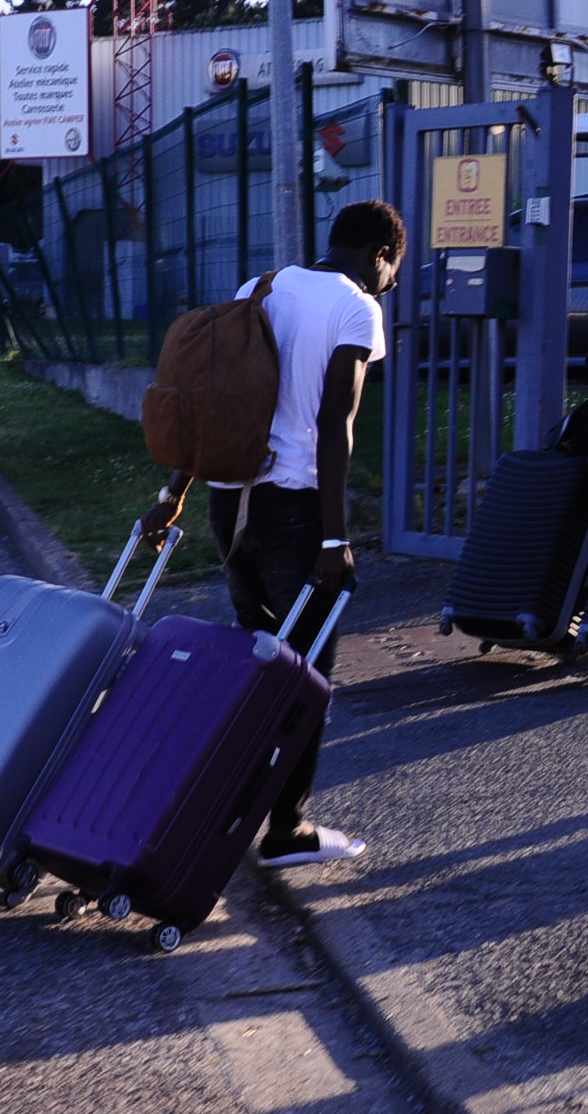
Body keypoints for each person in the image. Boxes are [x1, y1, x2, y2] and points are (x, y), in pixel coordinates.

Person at [140, 199, 405, 868]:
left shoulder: (259, 288)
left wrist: (173, 494)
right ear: (379, 254)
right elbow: (335, 427)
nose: (391, 281)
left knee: (257, 665)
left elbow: (211, 410)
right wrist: (333, 539)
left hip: (232, 508)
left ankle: (223, 805)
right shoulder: (356, 308)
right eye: (393, 267)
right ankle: (285, 829)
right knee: (304, 678)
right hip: (295, 516)